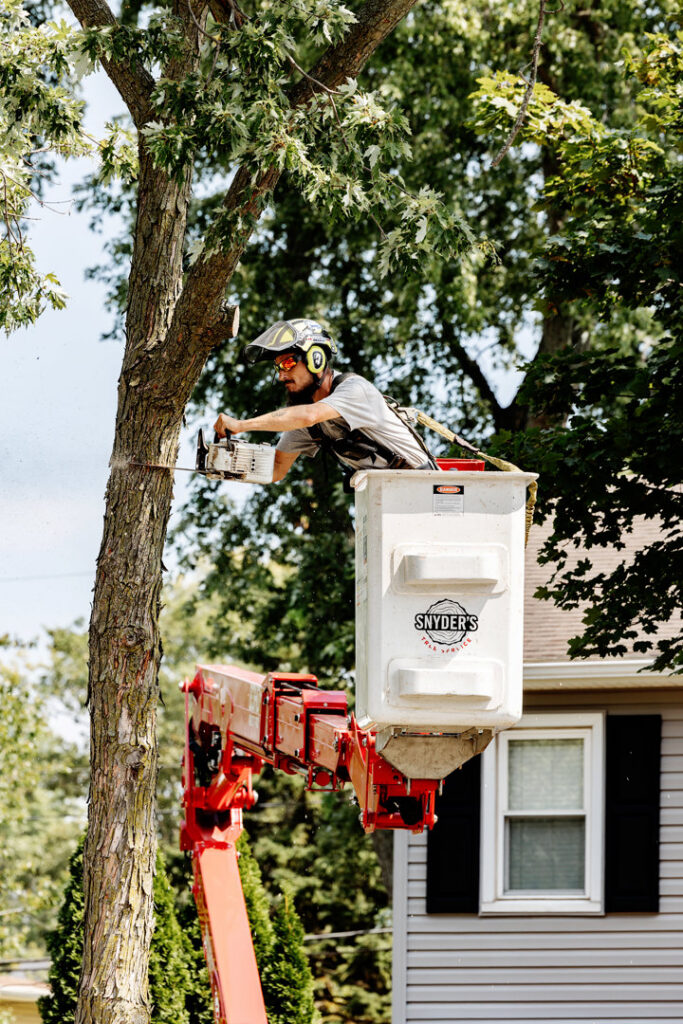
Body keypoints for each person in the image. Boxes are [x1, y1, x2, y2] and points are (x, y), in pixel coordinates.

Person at [214, 318, 436, 483]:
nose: (281, 375)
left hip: (424, 488)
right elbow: (276, 468)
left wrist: (242, 426)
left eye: (288, 364)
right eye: (278, 368)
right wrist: (224, 464)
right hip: (390, 495)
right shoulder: (309, 425)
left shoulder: (355, 390)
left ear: (315, 359)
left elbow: (310, 415)